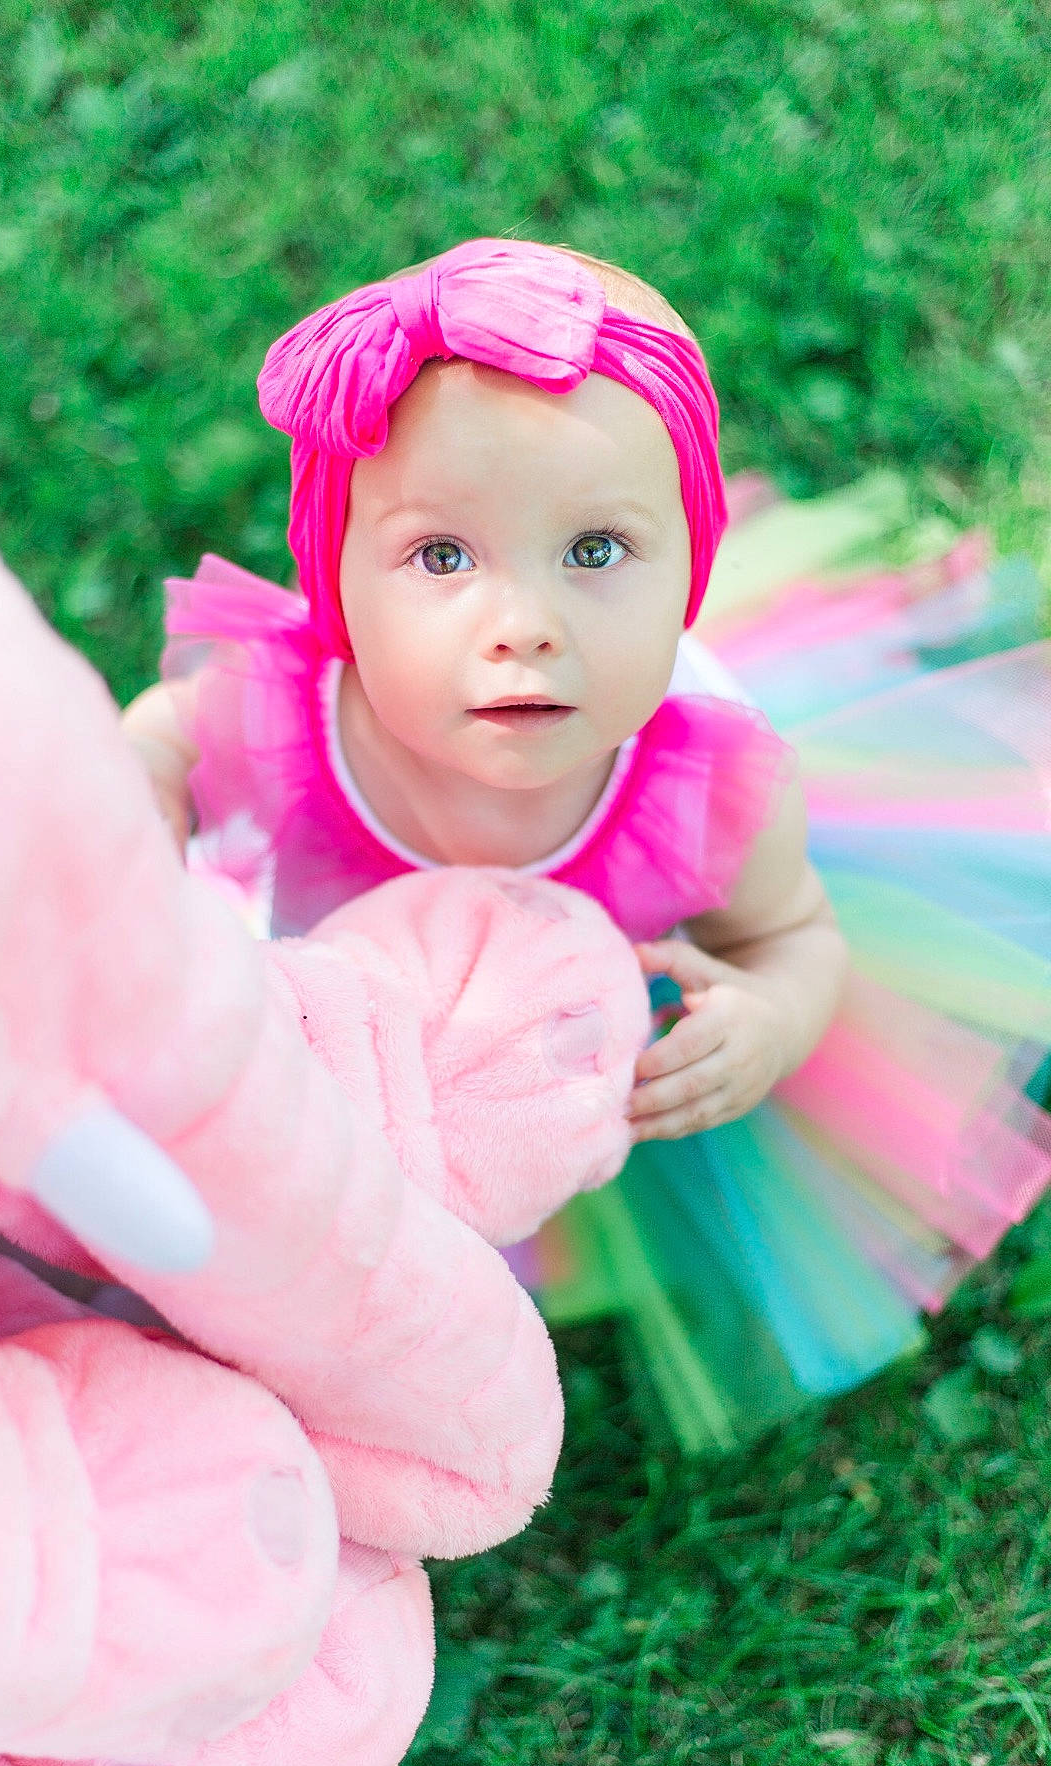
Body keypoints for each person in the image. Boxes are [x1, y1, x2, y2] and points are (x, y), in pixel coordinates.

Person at [125, 239, 1051, 1451]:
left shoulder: (710, 790)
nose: (524, 626)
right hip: (336, 1005)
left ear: (684, 576)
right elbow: (158, 744)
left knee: (492, 1194)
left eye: (595, 552)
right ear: (337, 581)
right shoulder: (276, 711)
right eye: (440, 557)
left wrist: (770, 1018)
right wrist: (134, 866)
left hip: (556, 1047)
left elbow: (791, 935)